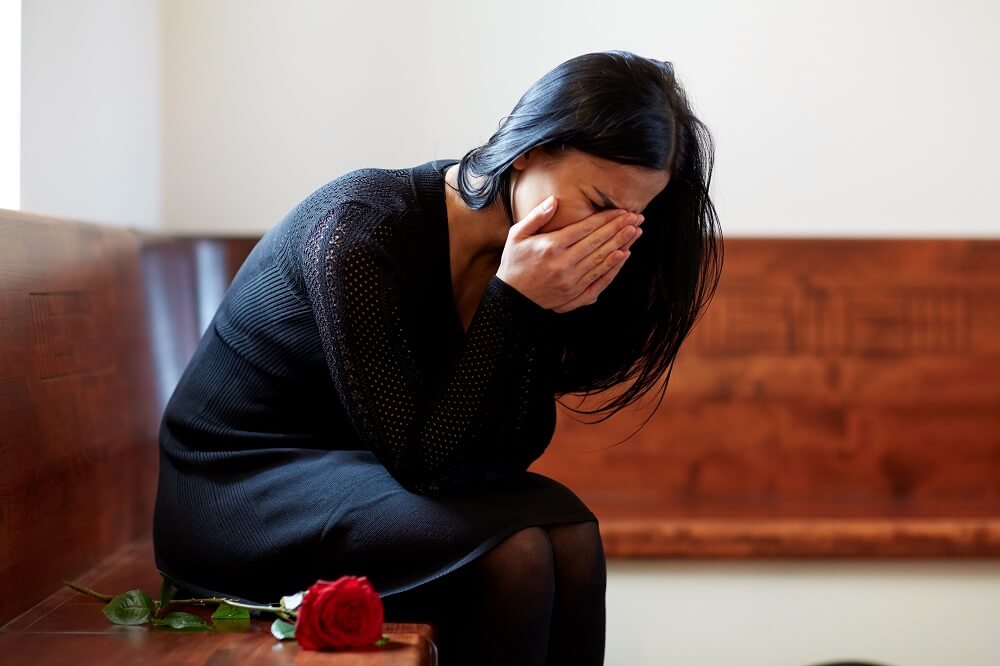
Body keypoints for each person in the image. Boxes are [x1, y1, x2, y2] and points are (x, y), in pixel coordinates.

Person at [152, 49, 722, 665]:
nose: (610, 236)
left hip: (364, 480)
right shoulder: (361, 227)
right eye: (599, 204)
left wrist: (536, 311)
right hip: (236, 487)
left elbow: (505, 453)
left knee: (574, 533)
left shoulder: (537, 262)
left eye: (634, 218)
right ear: (528, 151)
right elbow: (424, 464)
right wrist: (516, 304)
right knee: (514, 552)